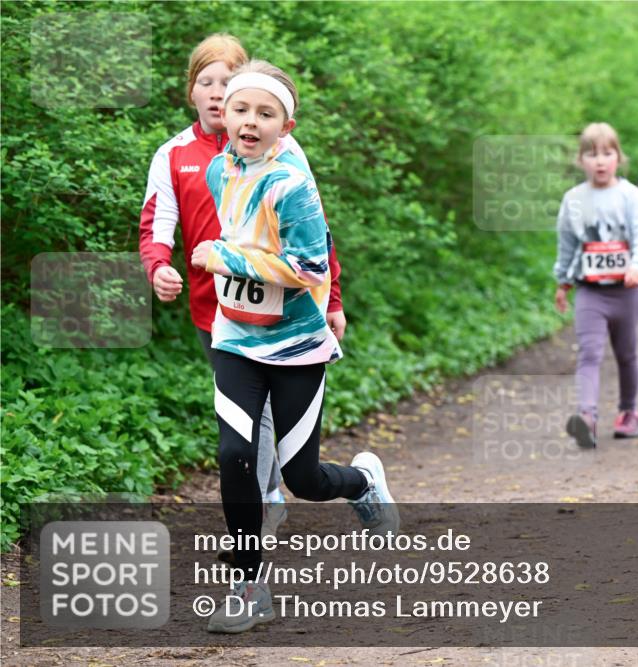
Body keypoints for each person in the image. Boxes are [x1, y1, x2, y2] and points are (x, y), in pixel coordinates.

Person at [190, 59, 399, 633]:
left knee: (300, 478)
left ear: (287, 125)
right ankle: (248, 586)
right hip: (234, 339)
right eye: (240, 110)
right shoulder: (218, 172)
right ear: (223, 117)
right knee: (234, 458)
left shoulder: (292, 185)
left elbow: (306, 267)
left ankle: (362, 482)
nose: (250, 122)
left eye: (266, 113)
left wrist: (222, 257)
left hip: (296, 346)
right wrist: (224, 257)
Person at [138, 34, 346, 538]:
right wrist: (157, 265)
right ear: (193, 92)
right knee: (241, 436)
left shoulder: (285, 156)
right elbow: (155, 221)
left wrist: (333, 298)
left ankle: (281, 492)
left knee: (282, 444)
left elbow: (315, 240)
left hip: (290, 317)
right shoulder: (183, 157)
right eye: (206, 83)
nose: (217, 94)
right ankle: (259, 522)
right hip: (220, 313)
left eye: (226, 82)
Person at [554, 123, 638, 447]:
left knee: (626, 353)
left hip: (626, 292)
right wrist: (562, 281)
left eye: (607, 153)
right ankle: (586, 417)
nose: (600, 161)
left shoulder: (630, 196)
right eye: (591, 154)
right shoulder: (573, 200)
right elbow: (567, 243)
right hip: (590, 291)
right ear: (581, 160)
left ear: (618, 158)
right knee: (589, 352)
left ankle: (629, 412)